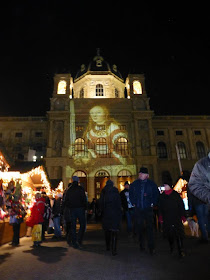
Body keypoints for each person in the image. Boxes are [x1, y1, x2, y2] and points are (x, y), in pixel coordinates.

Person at [129, 167, 159, 255]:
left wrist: (153, 203)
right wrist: (134, 202)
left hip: (148, 209)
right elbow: (131, 194)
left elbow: (156, 194)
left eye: (141, 173)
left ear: (147, 175)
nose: (140, 175)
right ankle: (142, 245)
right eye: (139, 173)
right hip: (138, 209)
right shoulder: (135, 184)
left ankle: (151, 247)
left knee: (150, 228)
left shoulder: (152, 184)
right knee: (140, 227)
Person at [158, 175, 186, 257]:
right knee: (170, 234)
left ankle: (181, 249)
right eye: (164, 185)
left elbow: (181, 205)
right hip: (167, 218)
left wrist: (183, 216)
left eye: (166, 185)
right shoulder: (162, 196)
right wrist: (161, 217)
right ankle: (172, 247)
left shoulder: (175, 195)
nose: (165, 187)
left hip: (176, 217)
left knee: (179, 234)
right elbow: (160, 207)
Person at [188, 153, 210, 243]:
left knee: (202, 219)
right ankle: (206, 235)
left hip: (200, 203)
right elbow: (195, 187)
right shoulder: (201, 165)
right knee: (204, 219)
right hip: (202, 202)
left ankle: (205, 236)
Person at [99, 180, 122, 256]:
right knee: (114, 231)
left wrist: (101, 211)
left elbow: (101, 203)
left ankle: (108, 246)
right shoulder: (116, 192)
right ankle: (114, 249)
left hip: (106, 213)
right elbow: (119, 204)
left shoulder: (103, 192)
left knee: (107, 230)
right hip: (115, 213)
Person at [64, 176, 87, 249]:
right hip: (80, 208)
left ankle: (74, 241)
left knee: (73, 226)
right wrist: (85, 207)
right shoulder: (80, 189)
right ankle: (79, 239)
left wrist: (69, 206)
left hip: (72, 209)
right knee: (82, 224)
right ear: (78, 181)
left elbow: (66, 200)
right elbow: (84, 199)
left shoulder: (69, 190)